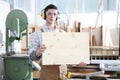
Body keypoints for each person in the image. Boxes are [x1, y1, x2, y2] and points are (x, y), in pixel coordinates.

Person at [29, 4, 86, 80]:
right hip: (47, 73)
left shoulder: (62, 33)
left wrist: (78, 61)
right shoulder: (37, 34)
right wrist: (38, 52)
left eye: (54, 14)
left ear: (57, 16)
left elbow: (69, 53)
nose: (52, 16)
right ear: (44, 15)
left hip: (63, 73)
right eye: (49, 14)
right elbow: (31, 56)